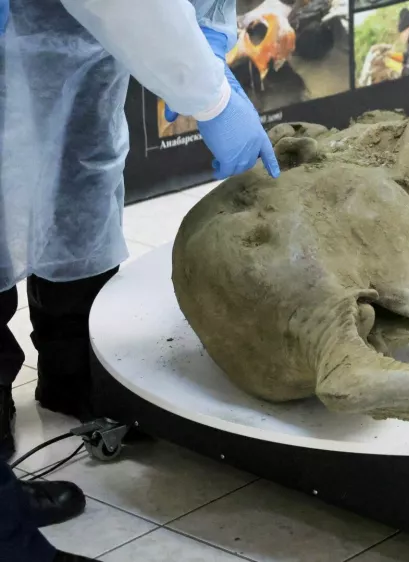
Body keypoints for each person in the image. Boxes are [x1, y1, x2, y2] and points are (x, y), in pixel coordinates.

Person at [1, 0, 279, 560]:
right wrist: (212, 95)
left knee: (80, 180)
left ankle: (76, 375)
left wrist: (205, 27)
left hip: (79, 39)